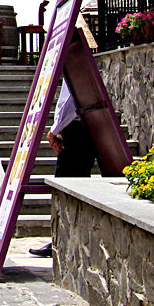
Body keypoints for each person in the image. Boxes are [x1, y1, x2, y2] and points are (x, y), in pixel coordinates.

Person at [30, 81, 97, 258]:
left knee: (66, 184)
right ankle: (66, 240)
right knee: (75, 182)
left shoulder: (73, 61)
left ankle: (62, 241)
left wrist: (55, 129)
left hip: (76, 130)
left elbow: (69, 102)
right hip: (82, 128)